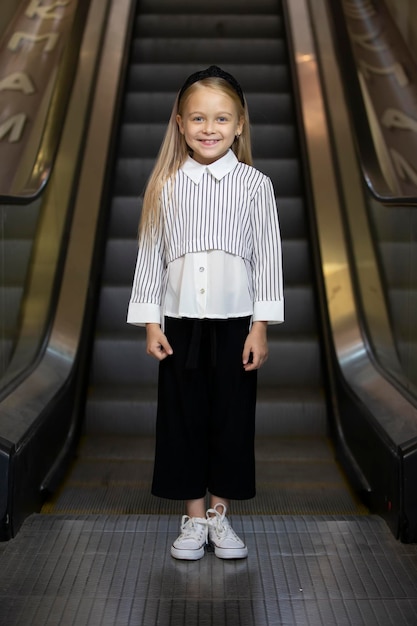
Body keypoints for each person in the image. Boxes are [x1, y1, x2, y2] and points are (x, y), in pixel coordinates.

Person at [127, 65, 284, 560]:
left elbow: (268, 258)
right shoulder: (166, 186)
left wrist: (261, 325)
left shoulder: (255, 185)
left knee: (232, 421)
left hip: (236, 324)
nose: (209, 128)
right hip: (180, 324)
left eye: (221, 118)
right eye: (198, 118)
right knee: (182, 419)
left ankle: (220, 517)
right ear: (179, 122)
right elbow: (151, 254)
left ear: (240, 124)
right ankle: (193, 520)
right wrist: (151, 320)